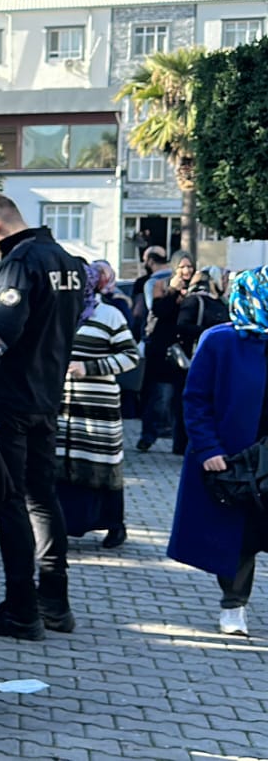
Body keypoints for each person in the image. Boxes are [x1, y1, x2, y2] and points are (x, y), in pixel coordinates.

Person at [0, 193, 85, 639]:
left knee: (10, 501)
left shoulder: (19, 262)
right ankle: (55, 600)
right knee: (42, 496)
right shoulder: (70, 263)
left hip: (9, 399)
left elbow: (1, 333)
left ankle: (21, 608)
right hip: (47, 394)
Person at [168, 266, 268, 636]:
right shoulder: (220, 340)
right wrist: (208, 447)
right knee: (239, 535)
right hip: (237, 456)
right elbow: (195, 399)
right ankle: (233, 607)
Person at [52, 262, 140, 551]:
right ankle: (64, 525)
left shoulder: (109, 314)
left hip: (98, 408)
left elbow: (131, 356)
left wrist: (89, 367)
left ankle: (115, 526)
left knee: (101, 465)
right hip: (63, 405)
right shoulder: (60, 311)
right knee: (63, 465)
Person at [172, 267, 231, 457]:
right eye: (223, 277)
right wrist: (209, 333)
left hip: (218, 359)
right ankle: (183, 444)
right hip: (195, 358)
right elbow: (182, 326)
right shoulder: (195, 300)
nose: (225, 281)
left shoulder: (222, 302)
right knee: (191, 400)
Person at [140, 252, 193, 452]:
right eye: (182, 267)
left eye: (189, 267)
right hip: (163, 349)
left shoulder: (195, 287)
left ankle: (179, 443)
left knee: (180, 398)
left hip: (184, 348)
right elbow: (159, 311)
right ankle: (148, 435)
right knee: (159, 396)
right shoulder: (162, 285)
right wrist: (173, 291)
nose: (186, 271)